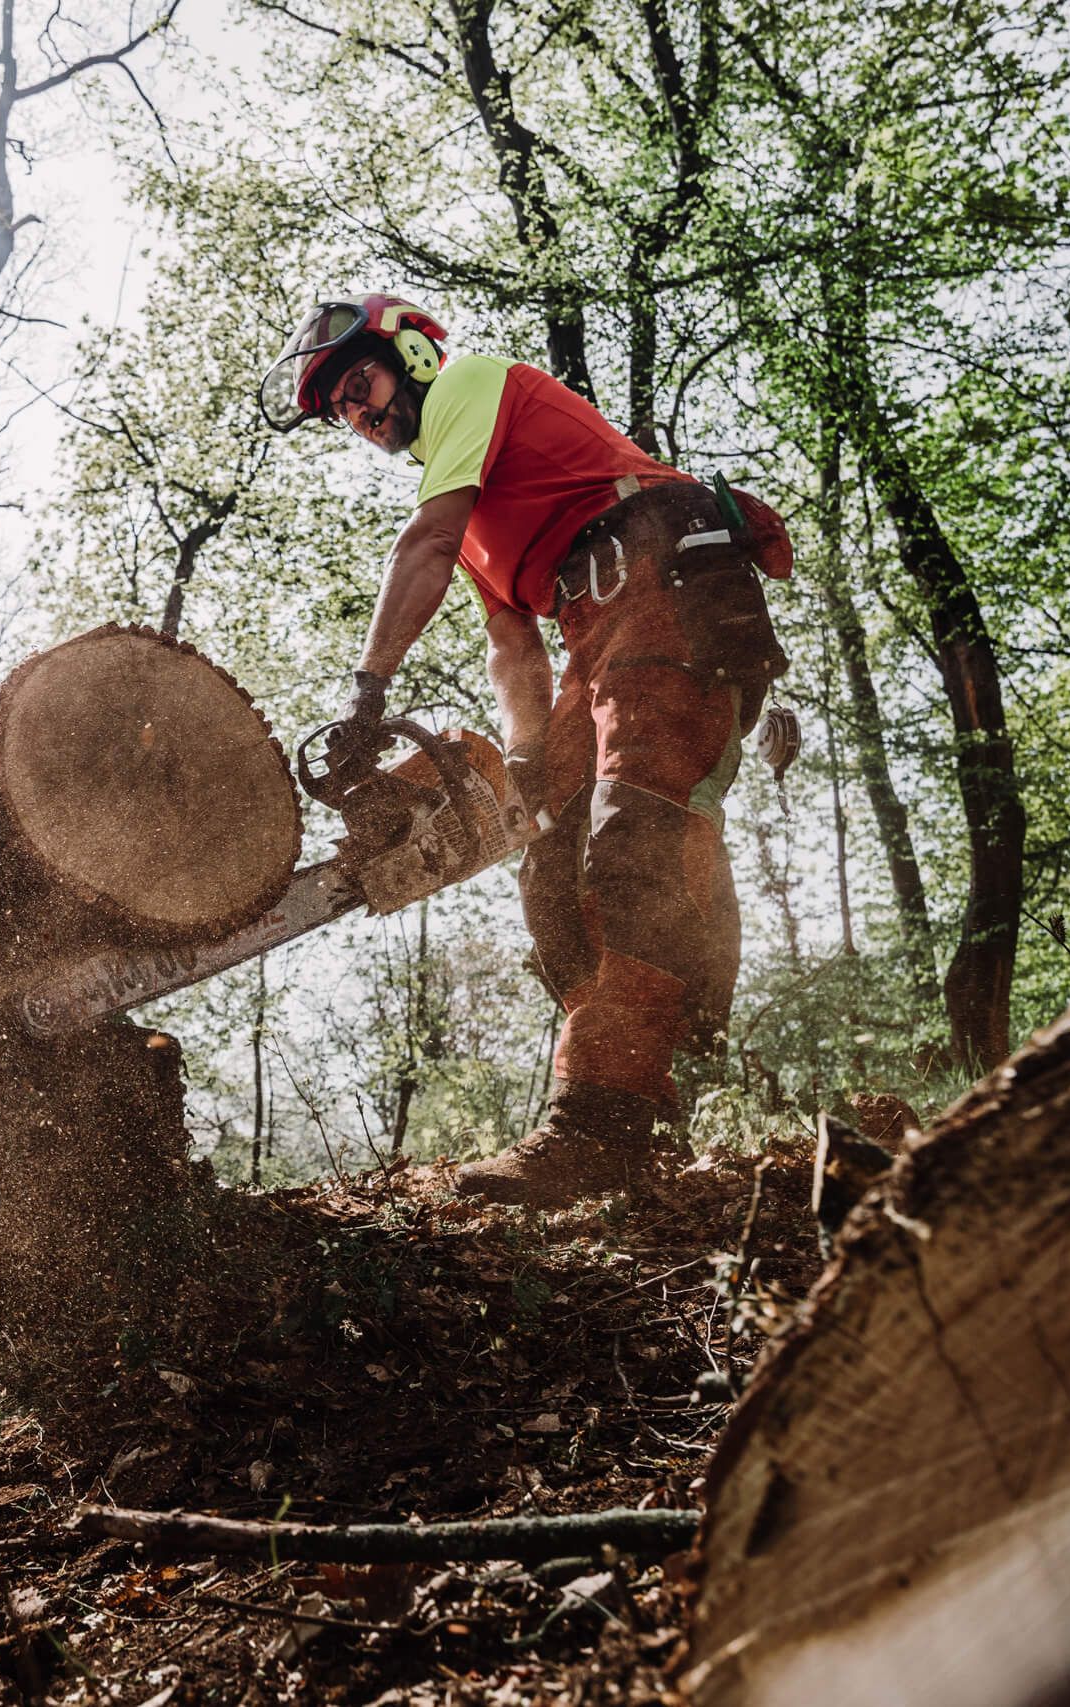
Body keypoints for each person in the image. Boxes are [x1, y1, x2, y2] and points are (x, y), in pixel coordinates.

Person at [259, 294, 792, 1209]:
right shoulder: (473, 517)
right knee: (551, 871)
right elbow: (513, 646)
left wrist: (367, 693)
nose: (358, 412)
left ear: (408, 355)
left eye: (360, 383)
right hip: (594, 630)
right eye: (341, 408)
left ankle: (600, 1124)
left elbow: (423, 542)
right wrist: (528, 758)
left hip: (666, 583)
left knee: (637, 833)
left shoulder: (474, 385)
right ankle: (636, 1097)